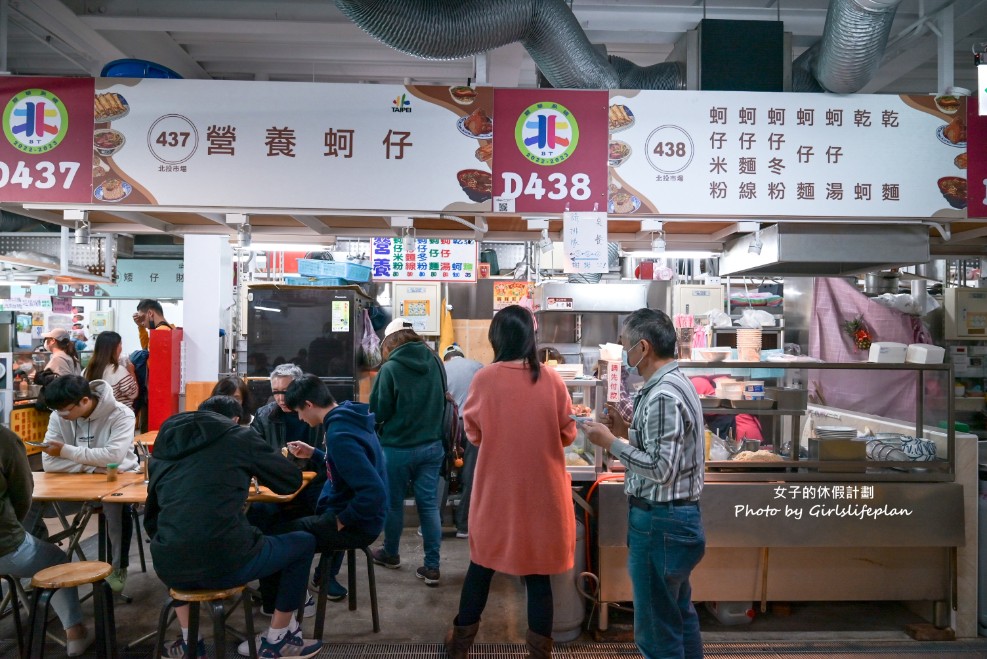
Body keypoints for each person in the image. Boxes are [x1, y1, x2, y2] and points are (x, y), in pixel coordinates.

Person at [144, 396, 322, 659]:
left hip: (169, 565)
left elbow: (151, 518)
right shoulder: (239, 437)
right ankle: (279, 639)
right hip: (227, 561)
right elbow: (290, 481)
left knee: (178, 544)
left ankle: (189, 642)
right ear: (236, 419)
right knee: (302, 541)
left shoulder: (165, 443)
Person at [445, 305, 577, 659]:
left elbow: (473, 433)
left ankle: (458, 647)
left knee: (481, 567)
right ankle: (540, 653)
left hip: (496, 493)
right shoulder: (551, 378)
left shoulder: (485, 379)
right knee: (538, 577)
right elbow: (567, 433)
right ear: (531, 339)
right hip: (543, 494)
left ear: (496, 338)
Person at [582, 308, 706, 659]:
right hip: (674, 523)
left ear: (643, 347)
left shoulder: (664, 393)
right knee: (679, 619)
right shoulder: (676, 383)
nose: (623, 353)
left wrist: (611, 443)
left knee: (657, 634)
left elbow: (660, 468)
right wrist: (626, 432)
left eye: (624, 345)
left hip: (661, 524)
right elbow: (663, 449)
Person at [237, 375, 388, 657]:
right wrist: (316, 454)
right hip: (353, 517)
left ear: (308, 404)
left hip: (355, 524)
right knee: (278, 528)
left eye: (298, 411)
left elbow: (373, 493)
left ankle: (280, 632)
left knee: (276, 539)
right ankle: (286, 622)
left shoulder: (340, 434)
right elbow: (347, 467)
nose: (300, 418)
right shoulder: (346, 417)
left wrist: (341, 520)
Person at [0, 425, 94, 657]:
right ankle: (75, 634)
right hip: (5, 546)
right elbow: (23, 494)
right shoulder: (4, 439)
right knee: (56, 560)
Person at [40, 375, 138, 594]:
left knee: (116, 506)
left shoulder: (121, 414)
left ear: (84, 401)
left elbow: (113, 455)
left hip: (118, 479)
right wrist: (92, 467)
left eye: (65, 411)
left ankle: (118, 566)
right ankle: (40, 562)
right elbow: (49, 461)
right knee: (33, 505)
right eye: (58, 411)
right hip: (78, 480)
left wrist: (65, 451)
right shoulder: (58, 414)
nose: (62, 416)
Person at [250, 364, 339, 604]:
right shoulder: (264, 415)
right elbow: (253, 453)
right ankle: (268, 581)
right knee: (259, 514)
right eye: (275, 391)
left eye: (286, 391)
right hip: (276, 486)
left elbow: (332, 457)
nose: (280, 398)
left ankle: (326, 574)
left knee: (334, 510)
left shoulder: (317, 413)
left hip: (314, 481)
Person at [369, 318, 446, 586]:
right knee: (428, 506)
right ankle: (432, 567)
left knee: (393, 504)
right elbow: (444, 398)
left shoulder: (389, 369)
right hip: (432, 446)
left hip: (396, 449)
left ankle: (391, 554)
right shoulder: (435, 361)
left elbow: (378, 411)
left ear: (389, 343)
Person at [441, 343, 482, 539]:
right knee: (471, 475)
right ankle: (464, 526)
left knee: (444, 474)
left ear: (446, 358)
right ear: (462, 356)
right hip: (475, 423)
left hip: (450, 424)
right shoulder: (478, 366)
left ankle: (433, 524)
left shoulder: (441, 368)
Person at [84, 331, 139, 409]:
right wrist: (131, 372)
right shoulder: (119, 371)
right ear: (116, 348)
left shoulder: (86, 371)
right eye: (120, 344)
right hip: (118, 417)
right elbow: (134, 394)